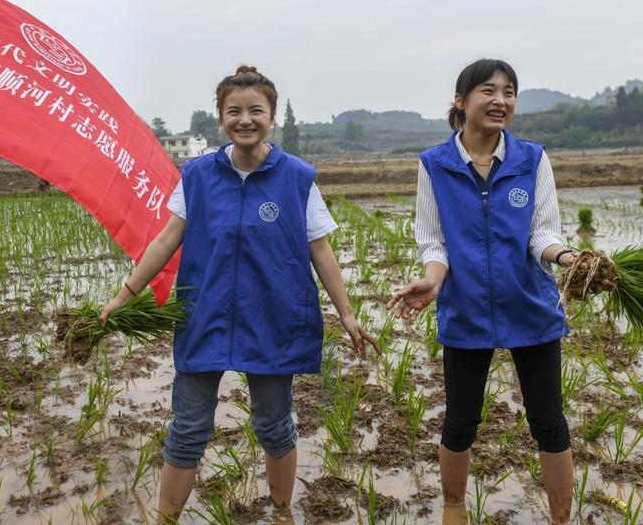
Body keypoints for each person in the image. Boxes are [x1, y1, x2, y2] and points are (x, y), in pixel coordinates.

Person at [101, 65, 379, 522]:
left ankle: (282, 512)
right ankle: (166, 518)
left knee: (274, 425)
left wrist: (346, 314)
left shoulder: (296, 177)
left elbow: (320, 248)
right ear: (221, 117)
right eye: (234, 111)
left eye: (256, 110)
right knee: (188, 428)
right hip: (204, 315)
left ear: (271, 115)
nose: (245, 119)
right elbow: (168, 238)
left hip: (271, 318)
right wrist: (125, 294)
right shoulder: (198, 176)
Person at [388, 59, 578, 524]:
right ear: (461, 100)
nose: (500, 101)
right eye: (488, 91)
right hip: (467, 308)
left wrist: (569, 259)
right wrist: (433, 281)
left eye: (509, 92)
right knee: (460, 422)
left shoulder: (532, 158)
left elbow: (542, 234)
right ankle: (453, 509)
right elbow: (434, 240)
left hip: (529, 305)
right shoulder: (434, 164)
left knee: (549, 423)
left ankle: (561, 517)